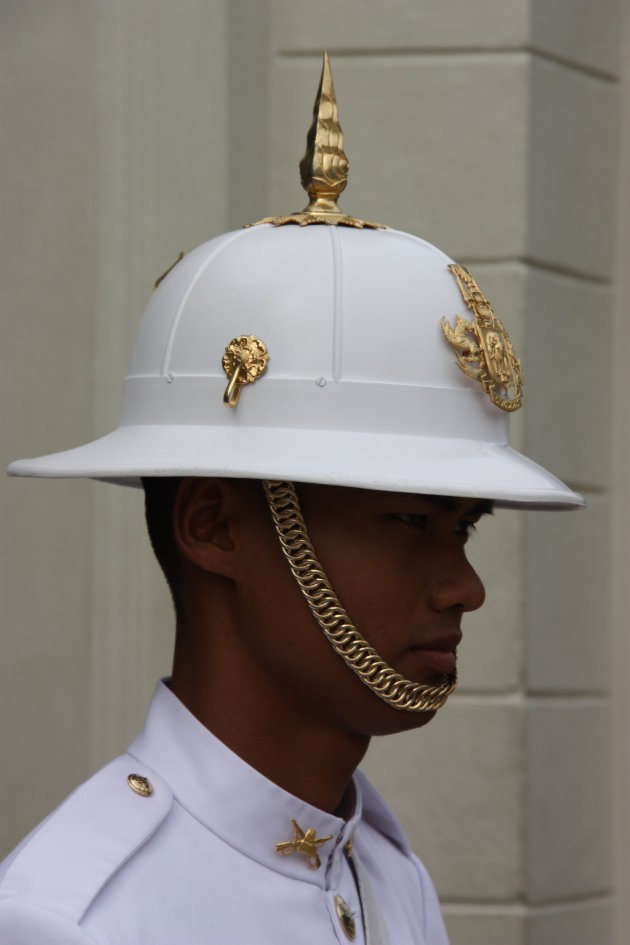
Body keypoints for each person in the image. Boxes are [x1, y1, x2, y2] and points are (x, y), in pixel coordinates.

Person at [0, 53, 582, 945]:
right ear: (211, 524)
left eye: (461, 529)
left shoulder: (385, 872)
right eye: (409, 521)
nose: (465, 587)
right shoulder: (75, 919)